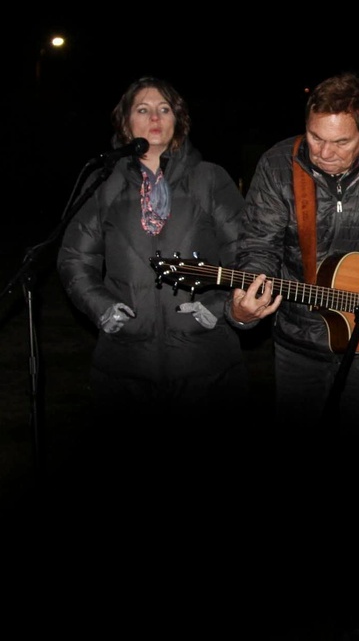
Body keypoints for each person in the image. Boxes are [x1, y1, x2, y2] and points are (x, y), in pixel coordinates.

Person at [226, 72, 359, 636]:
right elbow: (257, 242)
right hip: (301, 343)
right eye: (315, 139)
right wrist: (250, 294)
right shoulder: (280, 164)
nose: (326, 153)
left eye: (340, 141)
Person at [56, 76, 250, 614]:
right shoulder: (106, 184)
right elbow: (72, 258)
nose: (155, 118)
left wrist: (217, 309)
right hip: (127, 368)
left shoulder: (209, 179)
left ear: (178, 119)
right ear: (125, 123)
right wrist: (99, 307)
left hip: (204, 365)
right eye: (142, 109)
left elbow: (251, 251)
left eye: (164, 108)